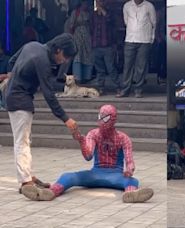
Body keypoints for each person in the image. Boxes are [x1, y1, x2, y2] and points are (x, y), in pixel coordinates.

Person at [20, 105, 154, 203]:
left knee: (132, 180)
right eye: (100, 117)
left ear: (113, 120)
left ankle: (130, 194)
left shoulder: (123, 138)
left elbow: (129, 159)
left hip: (116, 175)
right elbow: (88, 156)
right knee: (68, 176)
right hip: (96, 173)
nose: (102, 121)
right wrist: (81, 142)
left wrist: (129, 169)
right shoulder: (93, 134)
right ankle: (49, 192)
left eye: (105, 118)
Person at [5, 33, 78, 192]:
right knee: (22, 141)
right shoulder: (43, 61)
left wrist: (17, 78)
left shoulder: (32, 45)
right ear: (58, 50)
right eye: (65, 57)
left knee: (25, 139)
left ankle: (27, 175)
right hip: (19, 99)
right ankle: (25, 182)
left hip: (16, 95)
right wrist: (66, 119)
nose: (64, 61)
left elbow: (12, 62)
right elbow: (48, 94)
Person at [118, 0, 156, 98]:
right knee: (127, 66)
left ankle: (138, 90)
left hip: (144, 40)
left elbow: (154, 23)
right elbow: (126, 22)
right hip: (130, 39)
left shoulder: (149, 6)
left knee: (141, 66)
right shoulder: (127, 6)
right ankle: (125, 90)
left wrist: (152, 38)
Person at [92, 0, 120, 95]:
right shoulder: (93, 15)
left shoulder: (110, 13)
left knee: (111, 68)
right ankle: (101, 88)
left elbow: (112, 22)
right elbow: (90, 28)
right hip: (96, 45)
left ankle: (118, 87)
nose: (98, 3)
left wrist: (103, 11)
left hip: (107, 45)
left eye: (100, 1)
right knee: (99, 69)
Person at [69, 0, 93, 84]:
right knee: (78, 56)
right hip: (77, 36)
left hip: (87, 37)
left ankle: (87, 76)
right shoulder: (75, 12)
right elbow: (71, 26)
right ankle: (78, 77)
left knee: (87, 55)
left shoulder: (89, 13)